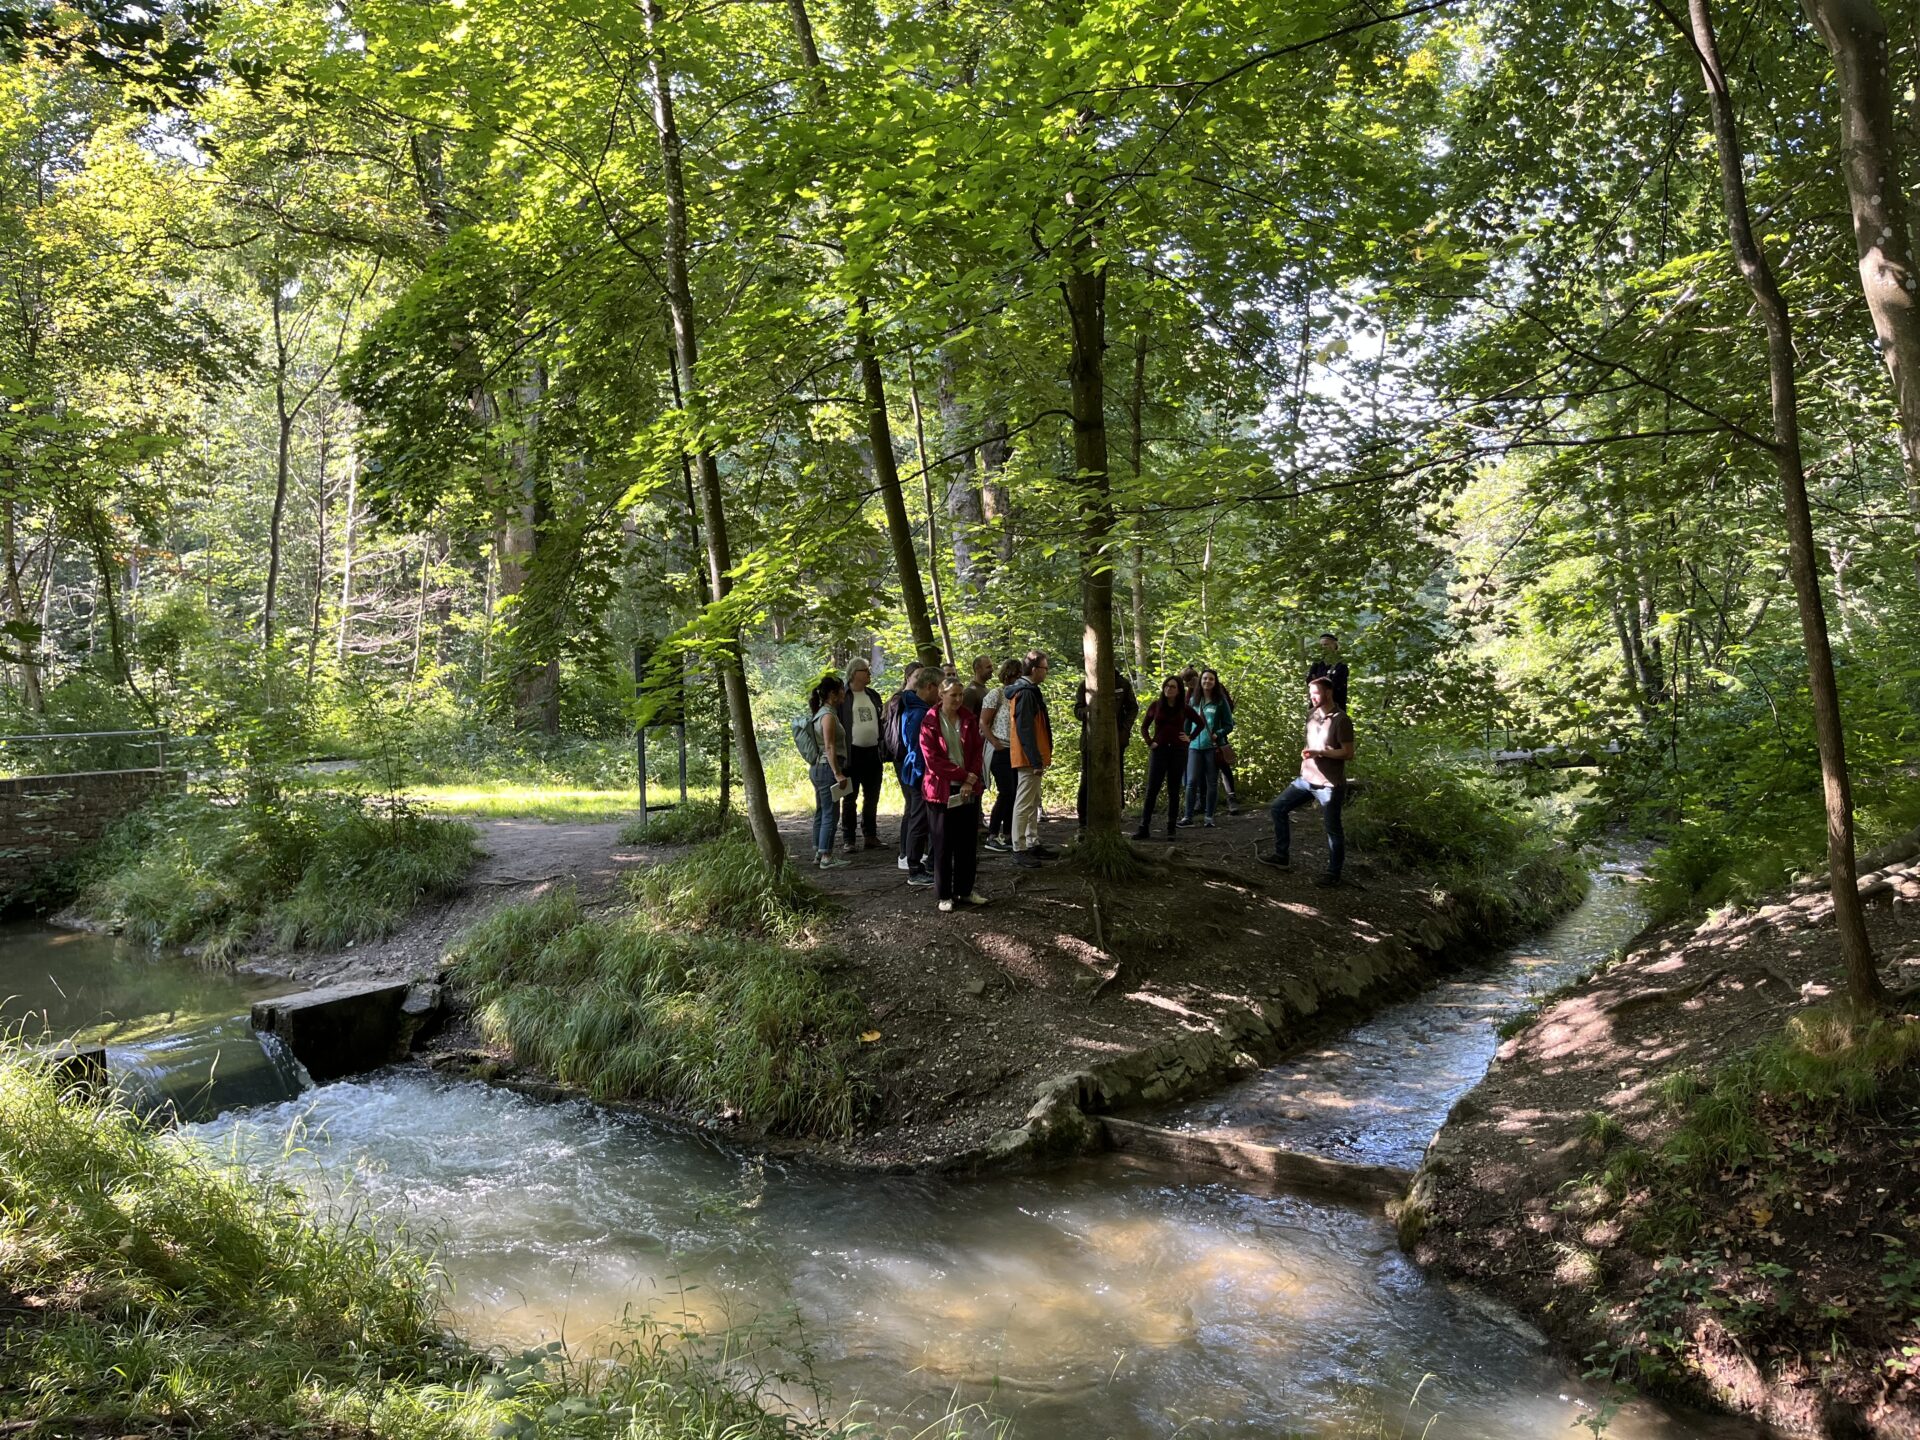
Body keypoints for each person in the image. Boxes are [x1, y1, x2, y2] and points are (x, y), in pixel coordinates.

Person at [1261, 675, 1355, 886]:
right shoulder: (1311, 715)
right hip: (1306, 779)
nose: (1312, 697)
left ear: (1328, 693)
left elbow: (1348, 753)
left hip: (1329, 785)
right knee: (1278, 808)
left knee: (1333, 829)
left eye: (1316, 692)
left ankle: (1333, 874)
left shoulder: (1341, 719)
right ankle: (1281, 856)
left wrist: (1320, 752)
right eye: (1310, 693)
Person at [918, 674, 989, 912]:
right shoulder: (929, 721)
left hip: (967, 789)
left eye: (960, 695)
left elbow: (977, 753)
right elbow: (933, 760)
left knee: (967, 843)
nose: (958, 699)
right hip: (940, 791)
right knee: (943, 844)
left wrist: (971, 779)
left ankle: (965, 890)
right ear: (941, 694)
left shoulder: (968, 718)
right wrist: (962, 776)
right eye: (953, 695)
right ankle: (944, 894)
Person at [1134, 677, 1200, 840]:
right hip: (1159, 751)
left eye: (1173, 687)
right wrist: (1150, 742)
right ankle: (1144, 827)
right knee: (1152, 790)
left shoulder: (1184, 708)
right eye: (1167, 686)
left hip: (1178, 752)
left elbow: (1200, 723)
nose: (1169, 689)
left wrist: (1190, 737)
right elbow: (1144, 727)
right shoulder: (1156, 706)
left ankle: (1171, 829)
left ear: (1178, 691)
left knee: (1173, 790)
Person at [1004, 649, 1053, 868]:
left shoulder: (1029, 691)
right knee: (1023, 803)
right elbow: (1025, 729)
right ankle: (1019, 847)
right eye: (1045, 668)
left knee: (1033, 801)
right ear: (1034, 670)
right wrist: (1034, 760)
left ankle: (1032, 842)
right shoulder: (1024, 693)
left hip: (1032, 757)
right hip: (1027, 758)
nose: (1046, 673)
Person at [1074, 668, 1139, 828]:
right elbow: (1077, 709)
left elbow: (1133, 708)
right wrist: (1090, 712)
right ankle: (1084, 820)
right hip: (1090, 739)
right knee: (1087, 778)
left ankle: (1115, 813)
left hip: (1116, 739)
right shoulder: (1085, 685)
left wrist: (1124, 729)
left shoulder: (1122, 684)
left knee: (1116, 775)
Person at [894, 667, 941, 887]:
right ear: (930, 686)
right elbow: (917, 748)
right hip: (919, 774)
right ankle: (914, 868)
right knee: (919, 819)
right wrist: (925, 775)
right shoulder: (917, 712)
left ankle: (929, 863)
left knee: (925, 818)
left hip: (922, 773)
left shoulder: (919, 708)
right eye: (939, 688)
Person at [836, 659, 885, 853]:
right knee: (849, 797)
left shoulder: (872, 695)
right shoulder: (844, 696)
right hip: (851, 754)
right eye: (866, 671)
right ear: (855, 673)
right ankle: (849, 839)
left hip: (873, 752)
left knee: (872, 796)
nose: (869, 674)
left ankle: (870, 835)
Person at [806, 675, 851, 869]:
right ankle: (826, 855)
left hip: (820, 767)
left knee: (822, 810)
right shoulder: (827, 716)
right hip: (826, 768)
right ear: (833, 694)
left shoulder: (822, 713)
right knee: (830, 813)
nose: (844, 693)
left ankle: (819, 851)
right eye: (841, 690)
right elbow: (830, 746)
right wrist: (837, 773)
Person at [979, 657, 1024, 853]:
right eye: (1015, 675)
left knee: (1015, 794)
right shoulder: (995, 695)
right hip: (1000, 750)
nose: (1017, 679)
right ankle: (992, 834)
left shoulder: (1020, 695)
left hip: (1016, 750)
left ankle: (1007, 834)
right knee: (1007, 792)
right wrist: (995, 743)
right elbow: (983, 723)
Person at [1180, 667, 1235, 828]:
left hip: (1212, 747)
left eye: (1211, 679)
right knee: (1191, 782)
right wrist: (1185, 736)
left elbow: (1229, 724)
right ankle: (1187, 817)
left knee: (1212, 782)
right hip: (1194, 746)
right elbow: (1188, 722)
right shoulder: (1193, 700)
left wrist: (1218, 733)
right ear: (1200, 681)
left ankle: (1209, 817)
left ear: (1215, 682)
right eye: (1205, 678)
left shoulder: (1220, 700)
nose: (1207, 681)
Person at [1309, 632, 1349, 710]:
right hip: (1317, 705)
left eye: (1326, 644)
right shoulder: (1317, 663)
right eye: (1321, 645)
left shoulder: (1341, 664)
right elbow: (1310, 679)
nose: (1323, 647)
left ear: (1334, 646)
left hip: (1335, 705)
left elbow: (1337, 684)